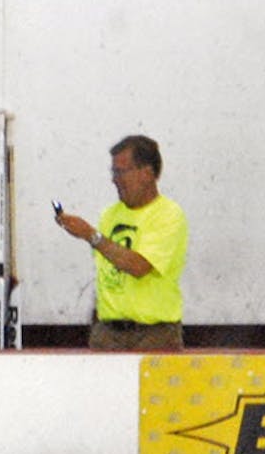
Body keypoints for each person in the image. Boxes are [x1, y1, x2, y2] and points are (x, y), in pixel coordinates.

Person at [55, 135, 188, 350]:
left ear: (147, 173)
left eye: (121, 172)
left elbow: (139, 266)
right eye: (113, 172)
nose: (114, 179)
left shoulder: (168, 215)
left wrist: (91, 236)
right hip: (108, 334)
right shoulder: (110, 215)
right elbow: (106, 275)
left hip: (154, 335)